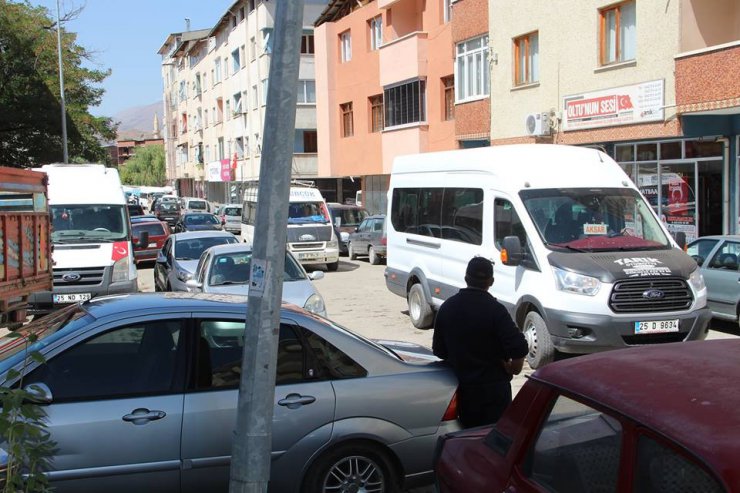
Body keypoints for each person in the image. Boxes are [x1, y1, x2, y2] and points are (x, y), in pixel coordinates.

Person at [433, 256, 528, 428]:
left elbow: (439, 351)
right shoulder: (495, 310)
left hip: (463, 390)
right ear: (491, 281)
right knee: (494, 441)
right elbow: (519, 347)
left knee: (468, 438)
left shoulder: (447, 307)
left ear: (465, 278)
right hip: (495, 391)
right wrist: (514, 368)